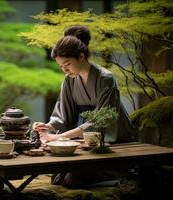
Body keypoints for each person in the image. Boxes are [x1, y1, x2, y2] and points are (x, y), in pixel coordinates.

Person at [33, 25, 134, 188]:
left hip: (108, 141)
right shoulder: (69, 80)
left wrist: (59, 137)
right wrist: (49, 127)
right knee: (60, 176)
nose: (65, 70)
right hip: (80, 140)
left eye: (68, 64)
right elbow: (62, 115)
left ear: (81, 56)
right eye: (61, 67)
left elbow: (101, 121)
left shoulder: (106, 78)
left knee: (74, 177)